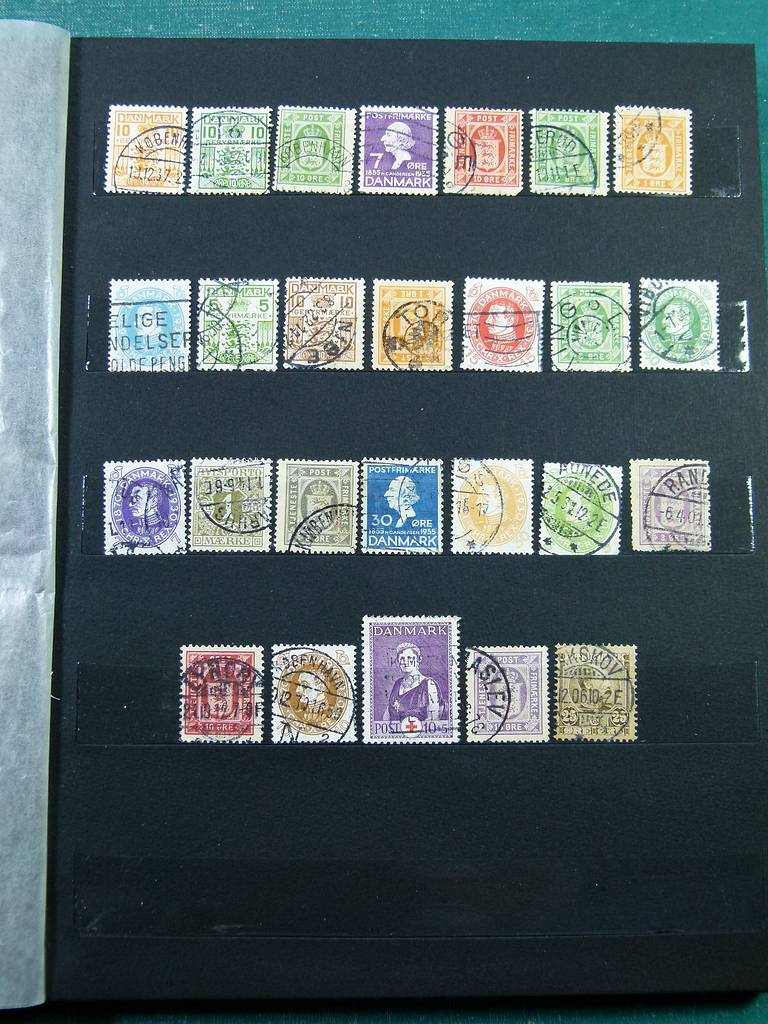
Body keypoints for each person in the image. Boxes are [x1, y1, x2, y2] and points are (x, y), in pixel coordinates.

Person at [386, 642, 445, 723]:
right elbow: (387, 714)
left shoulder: (429, 684)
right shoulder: (397, 684)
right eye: (402, 658)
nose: (405, 662)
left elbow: (433, 720)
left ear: (418, 660)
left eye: (409, 658)